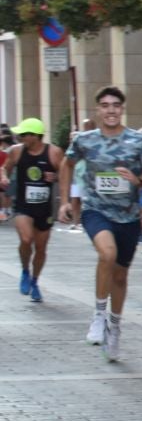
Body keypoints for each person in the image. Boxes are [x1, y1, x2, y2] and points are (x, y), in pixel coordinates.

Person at [59, 87, 142, 362]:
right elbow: (66, 165)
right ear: (98, 110)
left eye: (115, 105)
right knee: (107, 253)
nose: (111, 110)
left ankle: (114, 327)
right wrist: (65, 201)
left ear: (122, 109)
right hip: (96, 210)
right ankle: (98, 314)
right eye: (105, 105)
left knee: (120, 275)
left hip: (128, 217)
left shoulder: (138, 141)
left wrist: (138, 180)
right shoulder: (85, 140)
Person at [6, 118, 62, 303]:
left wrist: (55, 177)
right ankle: (24, 270)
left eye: (24, 135)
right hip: (23, 205)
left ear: (36, 136)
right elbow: (5, 169)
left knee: (40, 248)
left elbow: (65, 174)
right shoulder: (16, 151)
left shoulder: (54, 152)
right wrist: (4, 178)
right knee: (26, 239)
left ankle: (35, 281)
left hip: (44, 208)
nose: (20, 137)